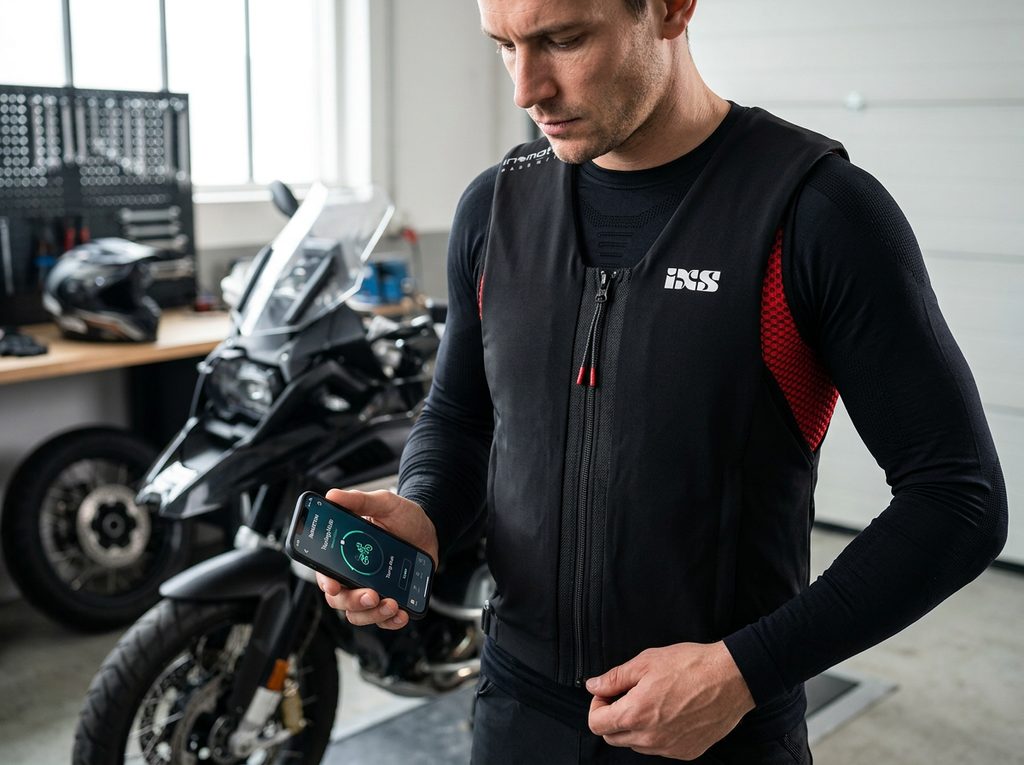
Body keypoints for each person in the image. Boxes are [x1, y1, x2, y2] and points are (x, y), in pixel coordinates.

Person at [315, 0, 1008, 762]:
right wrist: (422, 508)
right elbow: (461, 416)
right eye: (505, 45)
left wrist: (745, 670)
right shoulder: (495, 208)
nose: (525, 89)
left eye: (563, 39)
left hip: (719, 732)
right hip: (517, 713)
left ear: (673, 9)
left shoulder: (816, 213)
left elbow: (958, 498)